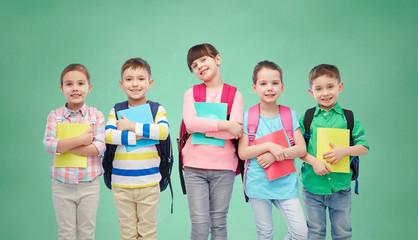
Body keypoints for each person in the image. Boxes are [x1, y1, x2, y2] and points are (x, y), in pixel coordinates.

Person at [238, 60, 308, 240]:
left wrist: (274, 156)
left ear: (282, 87)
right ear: (254, 87)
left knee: (300, 233)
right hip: (258, 185)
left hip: (286, 186)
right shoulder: (248, 117)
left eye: (275, 83)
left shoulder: (289, 115)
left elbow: (301, 149)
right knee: (265, 233)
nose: (269, 88)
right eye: (263, 83)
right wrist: (269, 146)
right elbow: (243, 153)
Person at [299, 64, 370, 240]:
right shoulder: (306, 118)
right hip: (312, 186)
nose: (325, 93)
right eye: (319, 88)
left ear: (340, 87)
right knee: (315, 233)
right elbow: (298, 150)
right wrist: (314, 162)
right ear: (311, 92)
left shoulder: (349, 118)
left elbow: (364, 147)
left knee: (343, 233)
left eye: (330, 87)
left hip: (341, 187)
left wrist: (344, 151)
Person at [182, 43, 244, 240]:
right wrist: (224, 125)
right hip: (194, 167)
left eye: (203, 59)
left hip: (224, 168)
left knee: (219, 223)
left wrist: (203, 129)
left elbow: (235, 132)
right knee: (199, 225)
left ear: (217, 59)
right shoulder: (191, 93)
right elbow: (190, 123)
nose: (199, 66)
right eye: (194, 65)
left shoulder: (235, 95)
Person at [105, 58, 169, 240]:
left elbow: (163, 132)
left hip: (149, 183)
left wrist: (130, 125)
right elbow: (109, 135)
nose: (135, 84)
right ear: (121, 84)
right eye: (129, 79)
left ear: (150, 83)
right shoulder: (116, 109)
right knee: (127, 233)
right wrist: (144, 134)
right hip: (121, 184)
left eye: (141, 79)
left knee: (148, 233)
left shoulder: (157, 109)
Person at [43, 63, 106, 240]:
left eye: (80, 83)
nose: (75, 88)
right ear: (62, 88)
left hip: (89, 184)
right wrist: (80, 141)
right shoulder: (54, 116)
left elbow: (99, 147)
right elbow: (49, 145)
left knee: (87, 233)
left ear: (89, 87)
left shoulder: (96, 116)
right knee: (66, 233)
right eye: (69, 84)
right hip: (61, 185)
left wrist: (64, 146)